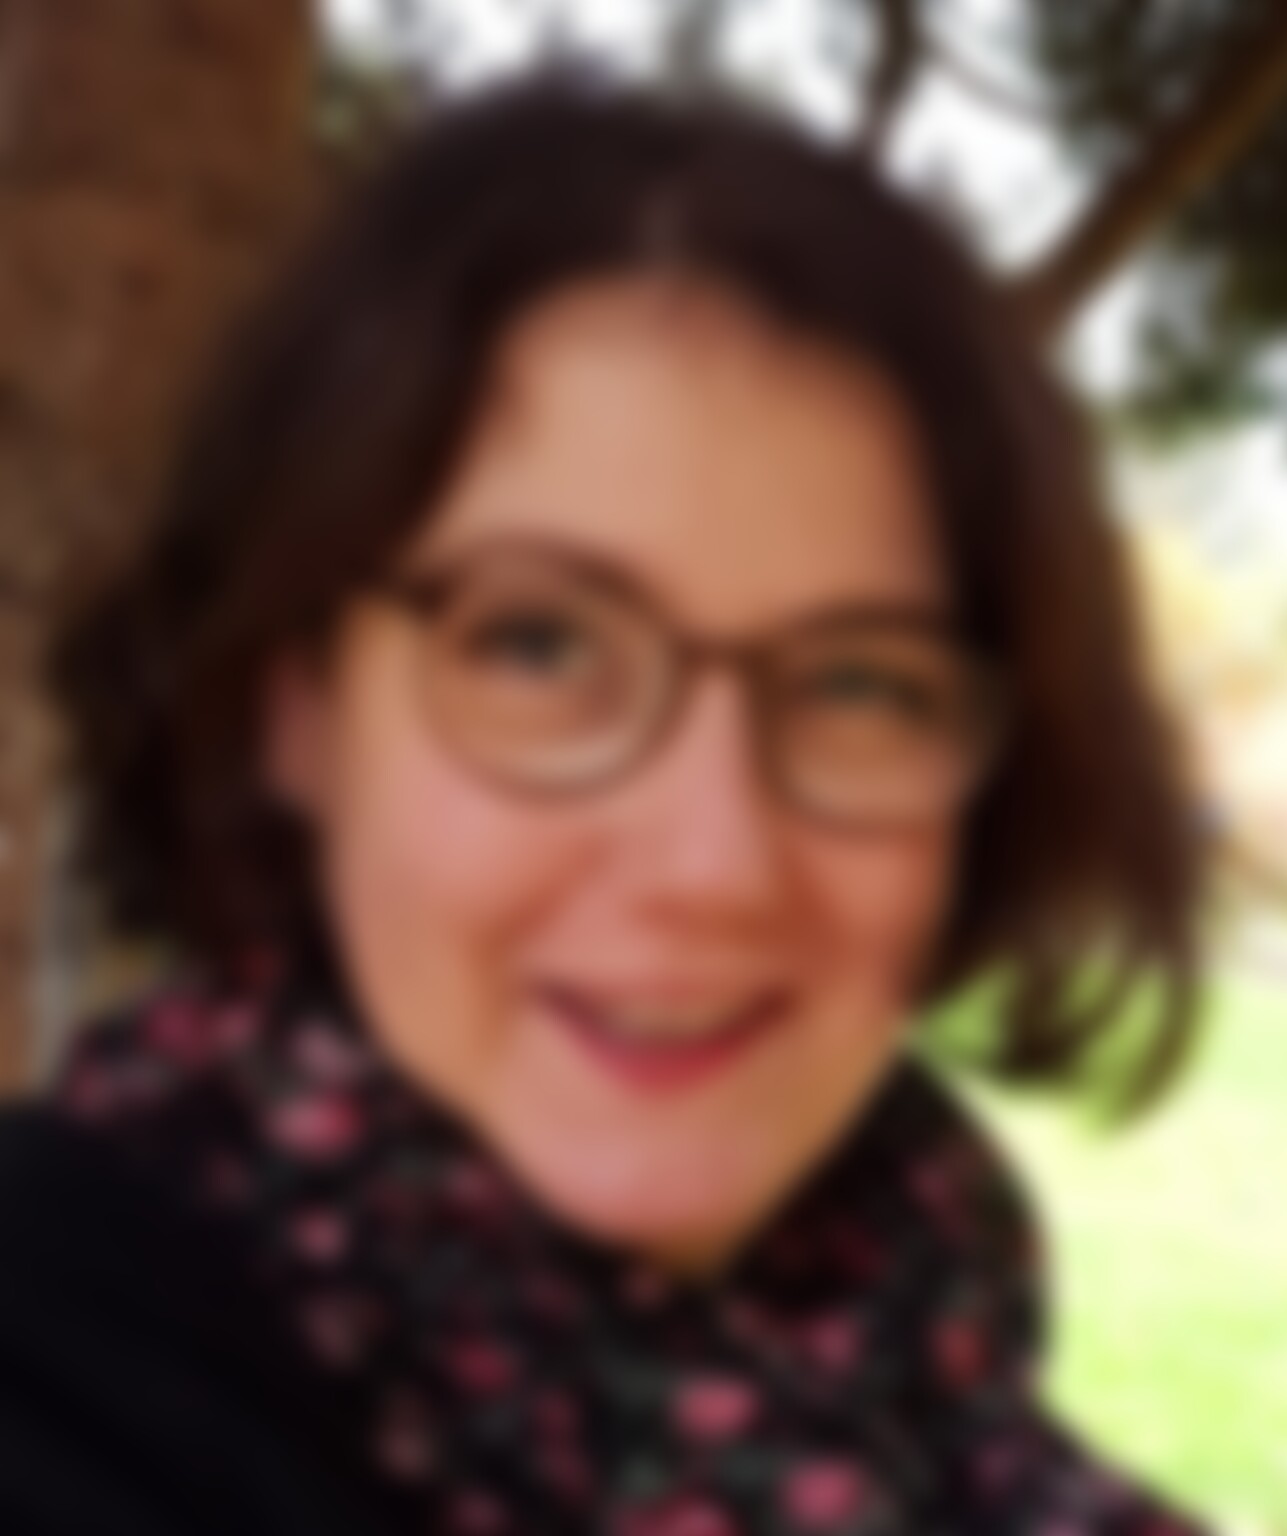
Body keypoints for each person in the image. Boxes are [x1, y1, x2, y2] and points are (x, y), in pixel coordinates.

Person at [0, 75, 1211, 1536]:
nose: (715, 861)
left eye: (861, 685)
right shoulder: (55, 1379)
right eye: (537, 645)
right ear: (295, 705)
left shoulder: (929, 1348)